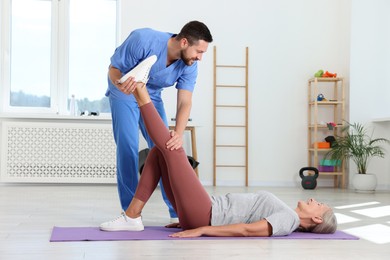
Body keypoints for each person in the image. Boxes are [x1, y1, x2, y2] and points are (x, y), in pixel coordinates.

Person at [100, 60, 338, 237]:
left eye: (319, 204)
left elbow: (246, 230)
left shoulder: (289, 220)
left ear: (316, 218)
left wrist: (201, 229)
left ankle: (140, 88)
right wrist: (188, 220)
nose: (314, 199)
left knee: (173, 149)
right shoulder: (289, 214)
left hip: (207, 214)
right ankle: (133, 215)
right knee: (158, 153)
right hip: (203, 209)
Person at [104, 20, 213, 225]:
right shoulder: (143, 39)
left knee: (165, 148)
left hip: (152, 95)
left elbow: (185, 102)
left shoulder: (190, 65)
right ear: (183, 42)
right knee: (128, 147)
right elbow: (113, 69)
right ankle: (130, 214)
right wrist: (121, 84)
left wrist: (178, 134)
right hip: (125, 88)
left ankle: (176, 210)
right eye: (199, 51)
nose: (200, 57)